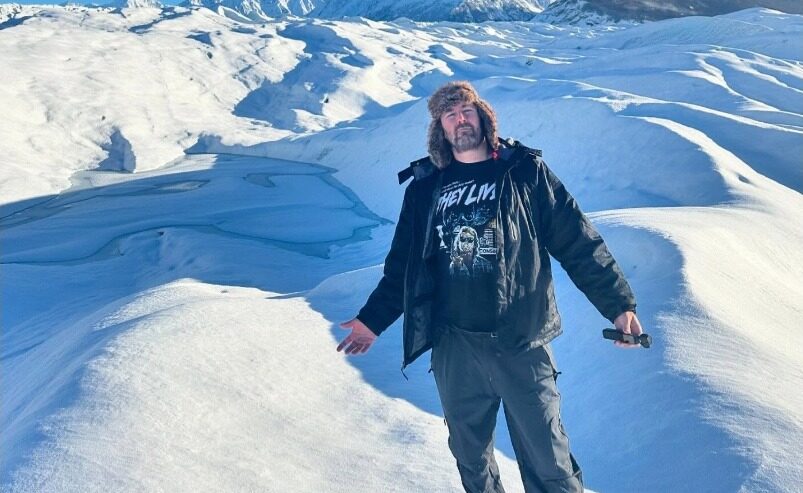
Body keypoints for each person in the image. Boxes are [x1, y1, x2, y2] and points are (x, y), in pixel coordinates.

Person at [336, 80, 644, 493]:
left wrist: (619, 305)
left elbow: (578, 242)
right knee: (472, 463)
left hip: (521, 340)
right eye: (450, 115)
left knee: (549, 461)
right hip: (455, 347)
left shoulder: (523, 172)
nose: (460, 119)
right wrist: (372, 321)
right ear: (440, 129)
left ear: (483, 117)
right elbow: (402, 270)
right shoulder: (425, 188)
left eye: (466, 110)